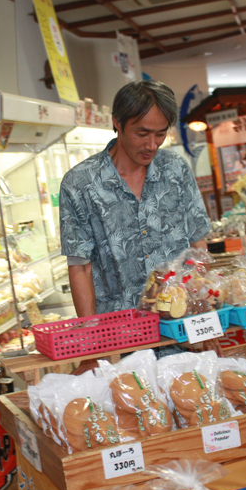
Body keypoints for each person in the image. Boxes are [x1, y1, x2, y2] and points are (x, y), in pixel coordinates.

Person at [60, 80, 212, 319]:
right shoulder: (81, 183)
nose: (151, 145)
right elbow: (80, 266)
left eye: (160, 134)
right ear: (117, 123)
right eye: (142, 133)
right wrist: (89, 339)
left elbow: (198, 244)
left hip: (180, 323)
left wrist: (203, 311)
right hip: (120, 332)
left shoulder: (175, 170)